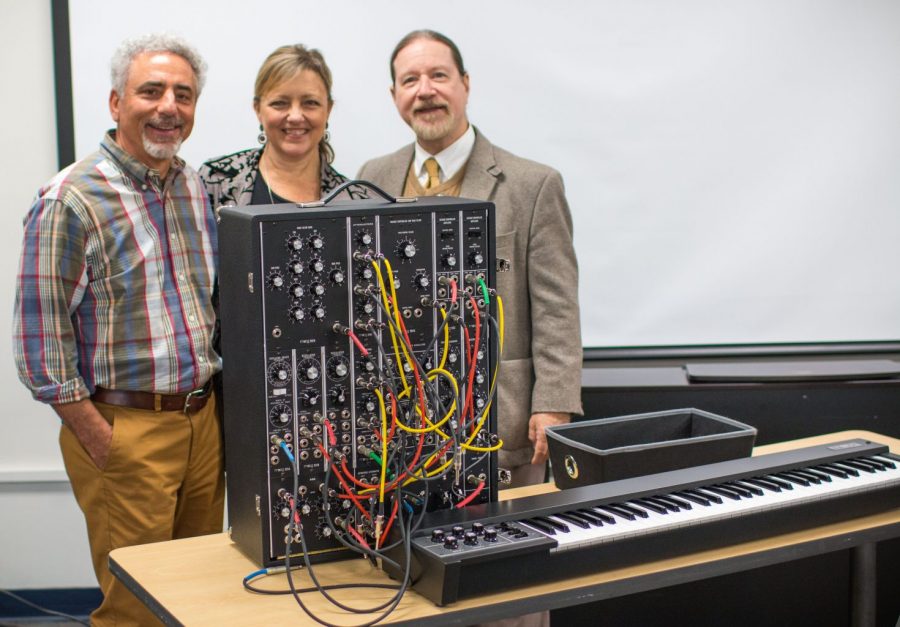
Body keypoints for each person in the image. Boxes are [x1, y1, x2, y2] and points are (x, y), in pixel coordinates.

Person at [12, 34, 222, 626]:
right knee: (136, 609)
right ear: (114, 103)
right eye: (150, 91)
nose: (168, 106)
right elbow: (39, 340)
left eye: (183, 94)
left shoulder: (193, 186)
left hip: (202, 425)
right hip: (127, 428)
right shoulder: (71, 199)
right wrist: (101, 437)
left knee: (200, 592)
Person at [358, 30, 583, 490]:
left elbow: (557, 308)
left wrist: (554, 401)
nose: (426, 91)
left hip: (503, 420)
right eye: (410, 80)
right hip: (404, 427)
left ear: (464, 83)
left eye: (438, 75)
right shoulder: (371, 177)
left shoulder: (531, 185)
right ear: (394, 95)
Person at [200, 44, 366, 208]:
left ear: (328, 109)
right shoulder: (215, 180)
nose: (295, 116)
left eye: (310, 103)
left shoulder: (358, 201)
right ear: (258, 109)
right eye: (280, 103)